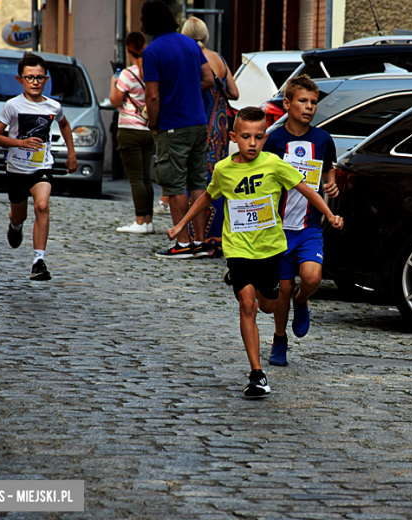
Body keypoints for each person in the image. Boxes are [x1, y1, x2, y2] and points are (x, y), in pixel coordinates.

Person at [165, 107, 344, 397]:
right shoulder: (224, 169)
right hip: (237, 249)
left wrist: (329, 215)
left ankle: (298, 304)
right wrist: (180, 225)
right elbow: (207, 197)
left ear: (265, 138)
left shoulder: (274, 164)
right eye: (246, 136)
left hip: (270, 248)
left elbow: (306, 189)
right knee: (247, 304)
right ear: (233, 137)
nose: (252, 143)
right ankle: (257, 373)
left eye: (259, 137)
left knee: (268, 306)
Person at [262, 76, 339, 367]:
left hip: (309, 226)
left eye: (313, 103)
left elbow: (328, 172)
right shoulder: (274, 139)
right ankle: (279, 341)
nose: (308, 107)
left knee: (311, 278)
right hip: (279, 228)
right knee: (281, 288)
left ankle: (302, 300)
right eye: (302, 101)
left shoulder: (322, 139)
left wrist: (331, 185)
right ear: (287, 103)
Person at [0, 52, 78, 280]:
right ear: (20, 80)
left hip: (42, 167)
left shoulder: (53, 107)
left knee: (42, 206)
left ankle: (38, 261)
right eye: (30, 77)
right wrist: (20, 142)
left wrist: (71, 154)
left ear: (46, 79)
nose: (35, 82)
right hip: (17, 170)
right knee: (20, 215)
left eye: (39, 77)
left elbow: (65, 125)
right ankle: (15, 225)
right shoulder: (12, 106)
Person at [141, 0, 215, 259]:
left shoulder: (152, 51)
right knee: (197, 183)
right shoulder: (191, 45)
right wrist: (189, 90)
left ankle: (182, 244)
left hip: (172, 125)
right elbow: (208, 79)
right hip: (198, 122)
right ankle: (200, 242)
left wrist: (152, 124)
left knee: (174, 185)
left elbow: (152, 97)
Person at [182, 16, 240, 258]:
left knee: (198, 181)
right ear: (205, 35)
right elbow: (235, 94)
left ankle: (201, 239)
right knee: (219, 178)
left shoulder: (192, 58)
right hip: (221, 125)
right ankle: (218, 239)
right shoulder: (219, 58)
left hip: (200, 123)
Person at [110, 31, 155, 234]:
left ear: (128, 50)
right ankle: (149, 221)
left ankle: (139, 222)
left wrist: (114, 82)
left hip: (129, 129)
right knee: (146, 178)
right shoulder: (153, 71)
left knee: (136, 178)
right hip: (148, 129)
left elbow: (115, 101)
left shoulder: (127, 74)